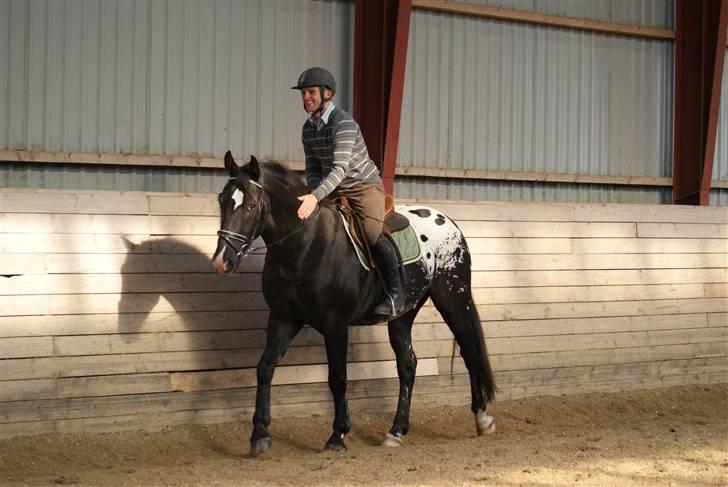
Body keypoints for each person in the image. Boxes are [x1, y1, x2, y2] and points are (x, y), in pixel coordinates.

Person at [292, 67, 404, 316]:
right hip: (331, 188)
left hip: (362, 187)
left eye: (311, 92)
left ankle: (396, 294)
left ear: (327, 93)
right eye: (303, 93)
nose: (306, 97)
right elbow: (313, 167)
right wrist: (313, 190)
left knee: (371, 232)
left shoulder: (343, 123)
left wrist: (315, 196)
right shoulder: (308, 129)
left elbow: (339, 169)